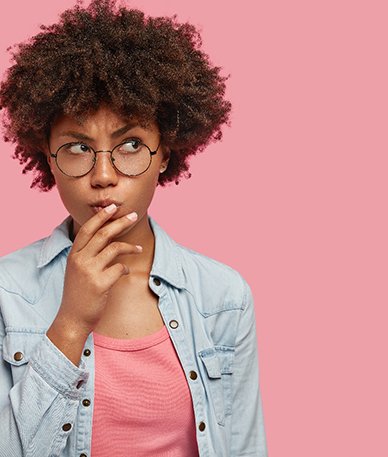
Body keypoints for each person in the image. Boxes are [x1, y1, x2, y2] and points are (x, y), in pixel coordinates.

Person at [0, 0, 267, 456]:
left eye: (130, 144)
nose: (103, 175)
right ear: (48, 156)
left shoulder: (223, 299)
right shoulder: (7, 294)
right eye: (78, 147)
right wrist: (70, 323)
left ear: (165, 152)